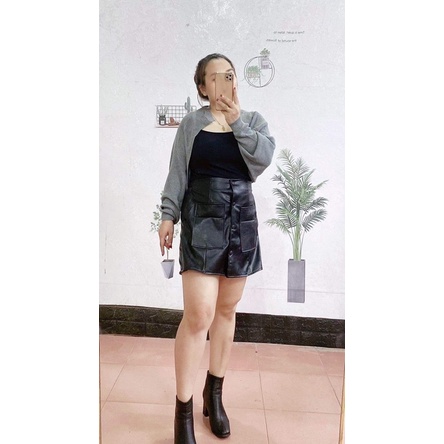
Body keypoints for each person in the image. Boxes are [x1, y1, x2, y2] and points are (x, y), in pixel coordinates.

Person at [158, 53, 275, 444]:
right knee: (198, 315)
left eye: (229, 75)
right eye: (215, 77)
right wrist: (168, 215)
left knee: (226, 310)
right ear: (202, 87)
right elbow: (178, 173)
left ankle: (215, 393)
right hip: (201, 216)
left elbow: (262, 160)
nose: (224, 82)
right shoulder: (192, 124)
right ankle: (183, 411)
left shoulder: (253, 121)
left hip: (241, 218)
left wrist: (236, 120)